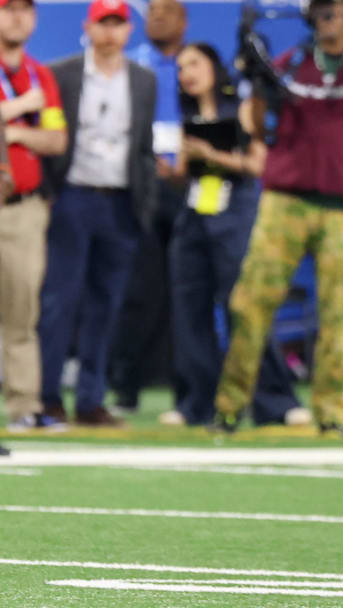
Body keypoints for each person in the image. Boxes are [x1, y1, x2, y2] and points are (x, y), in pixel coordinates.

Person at [213, 0, 343, 432]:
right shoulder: (288, 64)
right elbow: (258, 126)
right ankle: (229, 406)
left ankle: (332, 414)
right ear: (310, 14)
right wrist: (259, 86)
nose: (328, 14)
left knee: (340, 309)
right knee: (251, 301)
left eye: (335, 6)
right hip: (286, 199)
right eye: (321, 7)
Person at [164, 43, 304, 427]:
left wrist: (211, 155)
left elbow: (258, 164)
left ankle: (274, 402)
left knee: (244, 307)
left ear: (214, 66)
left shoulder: (241, 108)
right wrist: (170, 170)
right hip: (193, 215)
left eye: (194, 63)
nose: (187, 73)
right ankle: (196, 404)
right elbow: (184, 172)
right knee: (190, 311)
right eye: (180, 67)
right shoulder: (187, 114)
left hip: (235, 214)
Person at [40, 0, 156, 427]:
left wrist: (143, 203)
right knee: (59, 300)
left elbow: (142, 146)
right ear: (87, 27)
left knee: (106, 304)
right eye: (102, 24)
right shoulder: (62, 73)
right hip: (72, 197)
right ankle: (48, 397)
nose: (110, 33)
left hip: (120, 202)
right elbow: (51, 135)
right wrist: (49, 193)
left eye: (117, 24)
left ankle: (90, 400)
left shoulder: (143, 80)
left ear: (128, 30)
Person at [109, 0, 189, 413]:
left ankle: (188, 392)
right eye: (151, 10)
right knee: (137, 290)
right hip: (141, 186)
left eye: (165, 10)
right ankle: (125, 388)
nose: (156, 16)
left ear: (183, 20)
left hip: (190, 187)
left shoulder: (197, 64)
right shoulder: (129, 65)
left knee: (190, 292)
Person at [0, 0, 67, 432]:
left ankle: (24, 406)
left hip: (23, 209)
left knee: (22, 312)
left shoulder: (41, 75)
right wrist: (20, 108)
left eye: (25, 9)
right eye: (8, 8)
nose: (17, 17)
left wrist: (13, 131)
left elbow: (56, 140)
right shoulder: (30, 90)